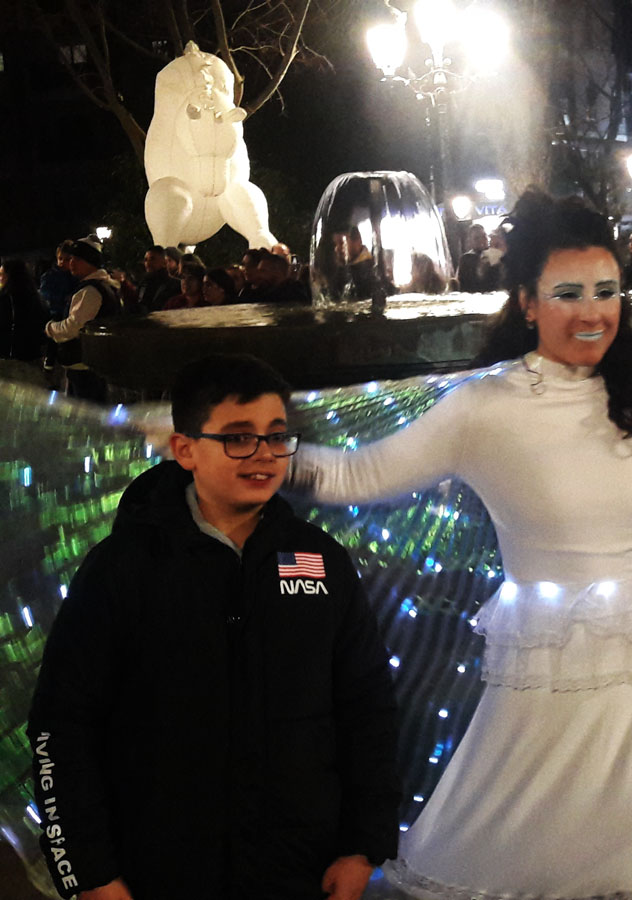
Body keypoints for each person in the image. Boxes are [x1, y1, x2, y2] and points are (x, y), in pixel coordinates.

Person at [286, 189, 632, 900]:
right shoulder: (482, 406)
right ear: (527, 302)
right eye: (568, 294)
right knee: (548, 862)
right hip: (545, 673)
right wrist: (253, 453)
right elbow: (361, 473)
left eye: (606, 292)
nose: (592, 312)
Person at [27, 353, 400, 900]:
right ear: (185, 450)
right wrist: (89, 872)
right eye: (238, 437)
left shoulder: (323, 561)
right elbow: (61, 724)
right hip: (156, 869)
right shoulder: (122, 568)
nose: (264, 454)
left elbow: (368, 709)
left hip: (297, 868)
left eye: (277, 436)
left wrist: (364, 846)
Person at [44, 235, 121, 403]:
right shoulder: (105, 286)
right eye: (71, 258)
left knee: (85, 412)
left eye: (77, 259)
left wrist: (50, 328)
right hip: (93, 365)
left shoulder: (90, 291)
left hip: (84, 366)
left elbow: (74, 327)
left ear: (90, 261)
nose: (71, 263)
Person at [0, 257, 49, 366]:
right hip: (32, 354)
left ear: (11, 276)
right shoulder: (35, 297)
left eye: (2, 275)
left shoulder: (6, 298)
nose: (0, 278)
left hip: (10, 356)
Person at [138, 245, 181, 313]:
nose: (148, 263)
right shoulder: (143, 284)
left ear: (165, 263)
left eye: (152, 259)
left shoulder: (176, 285)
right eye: (146, 260)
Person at [456, 223, 493, 292]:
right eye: (476, 238)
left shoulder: (494, 255)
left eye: (484, 236)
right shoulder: (466, 259)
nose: (481, 240)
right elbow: (462, 283)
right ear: (470, 241)